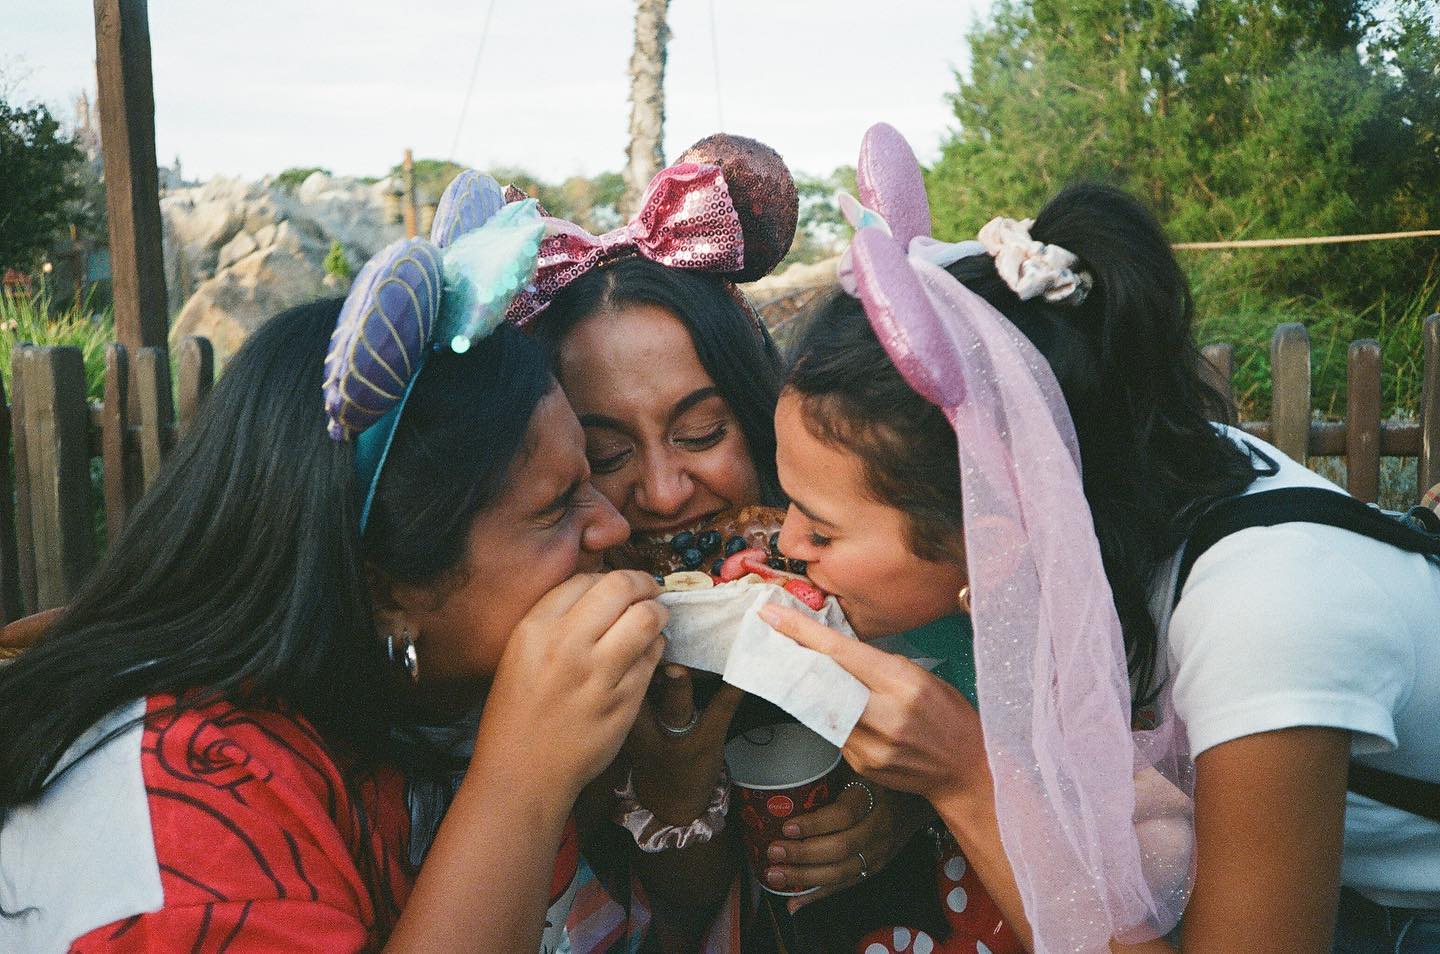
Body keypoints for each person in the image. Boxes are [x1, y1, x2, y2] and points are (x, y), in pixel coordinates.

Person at [760, 122, 1440, 953]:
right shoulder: (1110, 480)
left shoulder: (1265, 615)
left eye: (820, 527)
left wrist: (967, 780)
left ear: (994, 538)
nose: (785, 545)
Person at [0, 199, 671, 952]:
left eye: (591, 473)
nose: (613, 526)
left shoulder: (429, 700)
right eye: (555, 507)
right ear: (384, 588)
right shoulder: (181, 809)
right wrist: (520, 787)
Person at [518, 135, 1020, 953]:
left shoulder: (863, 558)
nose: (663, 491)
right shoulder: (552, 635)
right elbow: (678, 914)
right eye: (606, 455)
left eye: (702, 432)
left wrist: (902, 805)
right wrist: (674, 798)